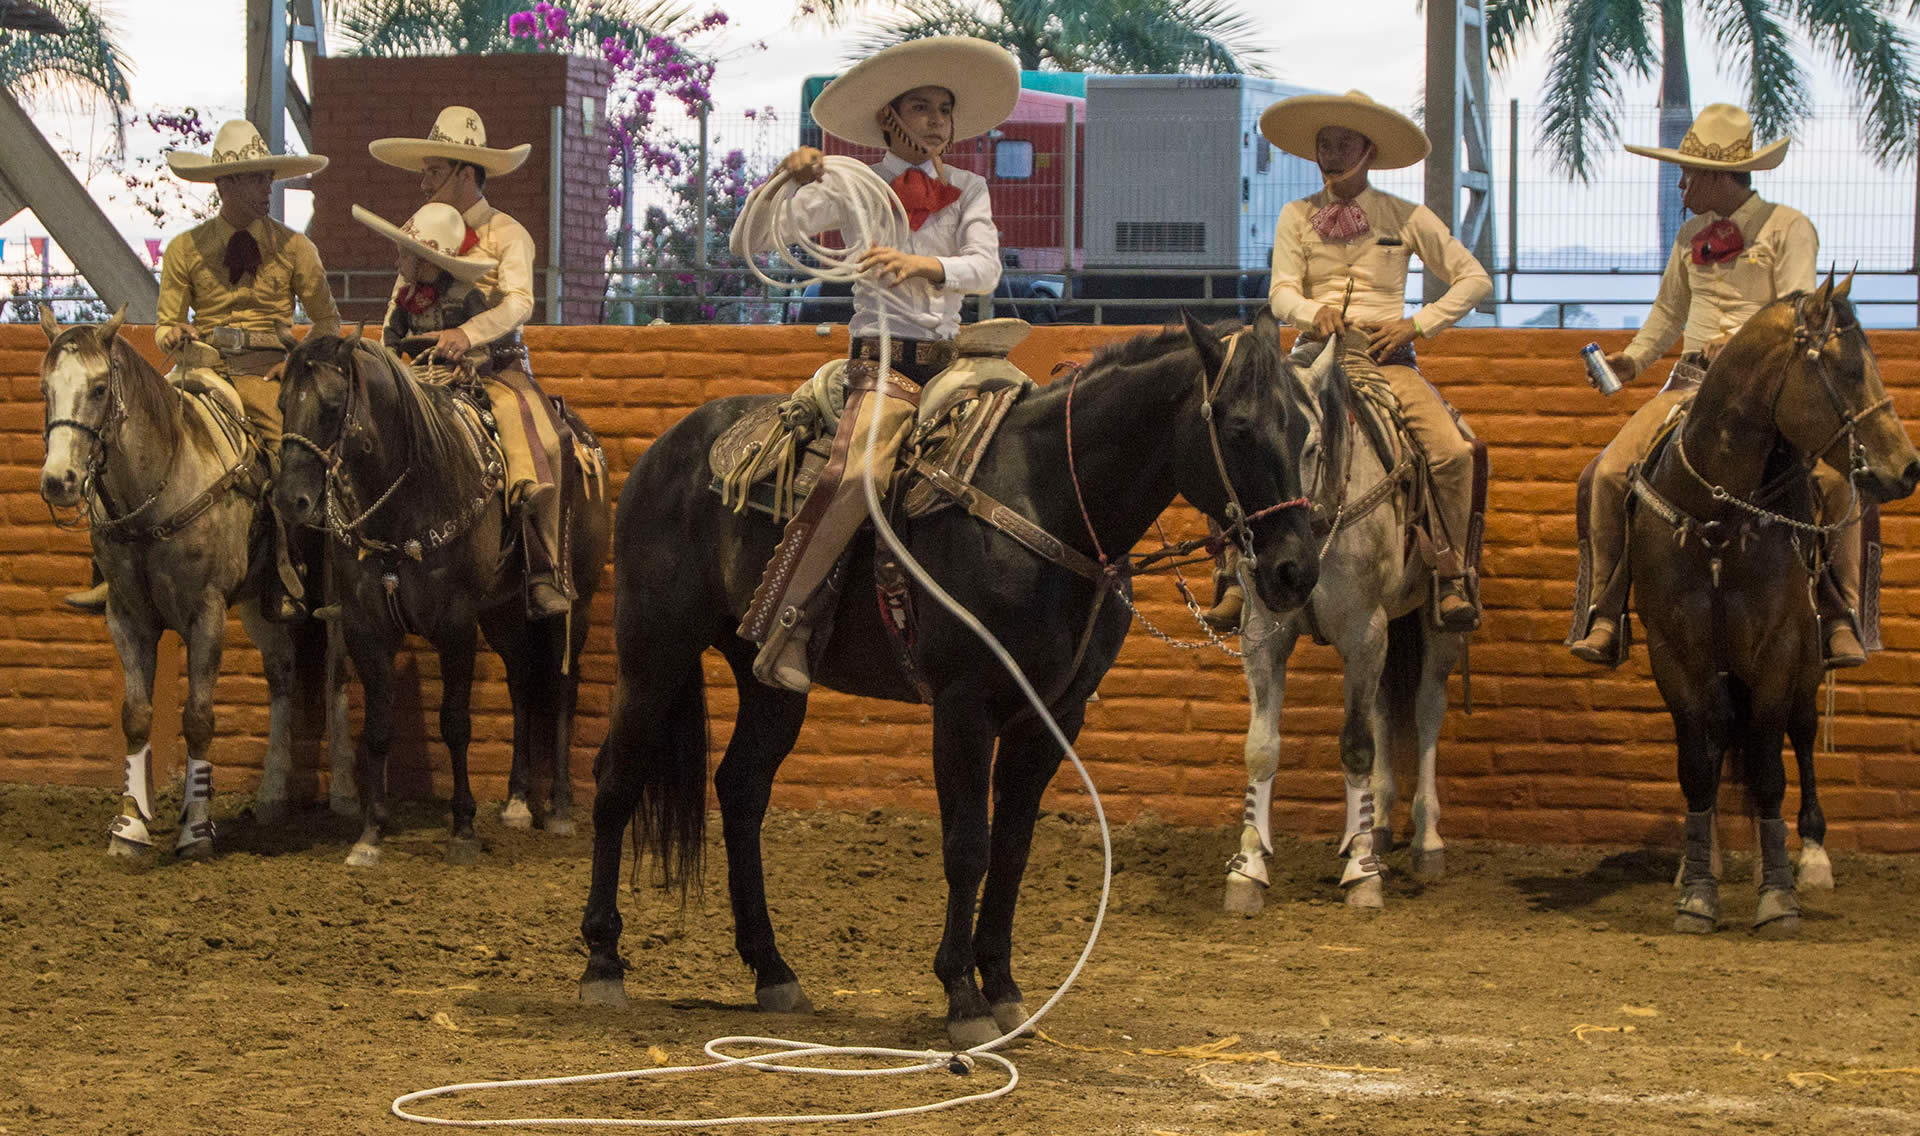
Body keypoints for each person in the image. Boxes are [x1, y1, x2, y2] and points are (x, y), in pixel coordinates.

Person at [729, 36, 1019, 692]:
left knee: (1035, 433)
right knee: (858, 471)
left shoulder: (970, 187)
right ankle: (789, 621)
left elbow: (987, 268)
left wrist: (923, 264)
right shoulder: (855, 186)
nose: (938, 119)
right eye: (921, 107)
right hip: (882, 364)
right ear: (889, 119)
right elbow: (752, 239)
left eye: (944, 108)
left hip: (955, 362)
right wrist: (788, 179)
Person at [1566, 104, 1857, 667]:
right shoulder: (1689, 235)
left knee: (1837, 480)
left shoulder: (1787, 226)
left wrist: (1744, 343)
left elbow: (1797, 309)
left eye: (1688, 173)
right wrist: (1630, 362)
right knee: (1605, 474)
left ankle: (1839, 612)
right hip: (1690, 386)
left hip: (1766, 393)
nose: (1680, 183)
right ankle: (1606, 612)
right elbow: (1667, 315)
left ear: (1719, 176)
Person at [1207, 90, 1491, 632]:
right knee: (1239, 432)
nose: (1332, 153)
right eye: (1324, 144)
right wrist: (1313, 314)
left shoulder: (1406, 215)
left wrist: (1418, 322)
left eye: (1344, 143)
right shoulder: (1296, 215)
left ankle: (1451, 574)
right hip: (1310, 358)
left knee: (1453, 453)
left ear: (1368, 151)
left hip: (1386, 363)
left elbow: (1474, 277)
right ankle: (1233, 576)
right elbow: (1281, 291)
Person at [67, 119, 340, 619]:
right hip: (202, 369)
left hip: (265, 375)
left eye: (268, 178)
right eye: (257, 180)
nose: (266, 189)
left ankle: (296, 575)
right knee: (126, 437)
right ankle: (108, 570)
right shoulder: (185, 249)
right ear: (226, 185)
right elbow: (167, 322)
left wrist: (296, 363)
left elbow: (326, 322)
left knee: (291, 459)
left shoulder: (296, 248)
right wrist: (171, 334)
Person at [368, 107, 572, 618]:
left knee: (539, 438)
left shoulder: (508, 233)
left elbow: (520, 301)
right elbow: (399, 300)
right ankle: (359, 553)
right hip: (419, 369)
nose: (423, 183)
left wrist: (467, 331)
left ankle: (542, 564)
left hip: (494, 368)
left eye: (433, 171)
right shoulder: (420, 227)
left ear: (465, 173)